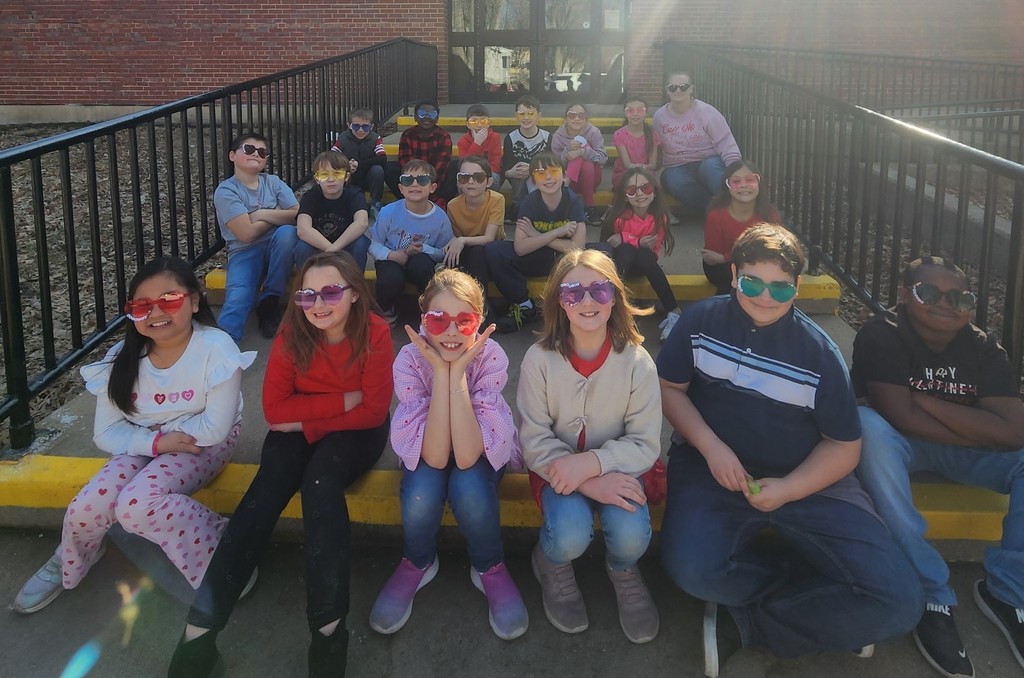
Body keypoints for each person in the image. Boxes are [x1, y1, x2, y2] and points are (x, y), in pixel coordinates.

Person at [657, 223, 922, 677]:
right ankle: (826, 606)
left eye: (780, 287)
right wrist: (712, 447)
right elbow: (670, 389)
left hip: (807, 480)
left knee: (898, 600)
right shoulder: (698, 323)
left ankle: (750, 625)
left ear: (797, 286)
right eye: (752, 283)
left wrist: (790, 489)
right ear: (734, 275)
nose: (765, 297)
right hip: (712, 470)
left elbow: (843, 446)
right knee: (692, 570)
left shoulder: (820, 354)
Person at [167, 252, 394, 678]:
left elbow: (373, 411)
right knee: (267, 488)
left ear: (354, 294)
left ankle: (328, 634)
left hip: (357, 432)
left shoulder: (376, 332)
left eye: (331, 292)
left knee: (320, 484)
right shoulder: (293, 332)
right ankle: (199, 632)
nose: (319, 304)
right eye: (307, 295)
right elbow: (274, 411)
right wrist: (343, 400)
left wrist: (305, 417)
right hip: (307, 425)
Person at [12, 256, 254, 614]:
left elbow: (214, 427)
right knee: (87, 506)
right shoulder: (122, 359)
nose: (156, 312)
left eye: (169, 299)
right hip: (143, 442)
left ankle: (224, 549)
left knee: (137, 504)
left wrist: (161, 435)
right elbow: (107, 433)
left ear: (193, 301)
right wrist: (154, 442)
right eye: (142, 306)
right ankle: (73, 555)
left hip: (201, 443)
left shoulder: (216, 350)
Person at [853, 256, 1024, 677]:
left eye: (959, 297)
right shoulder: (882, 333)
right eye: (928, 292)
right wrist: (982, 428)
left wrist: (922, 400)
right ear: (903, 295)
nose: (946, 304)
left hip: (956, 446)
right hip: (897, 444)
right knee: (868, 428)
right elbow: (899, 418)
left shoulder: (983, 347)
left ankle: (1009, 591)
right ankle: (931, 591)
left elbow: (1015, 431)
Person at [370, 269, 529, 641]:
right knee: (422, 489)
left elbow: (469, 456)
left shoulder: (491, 357)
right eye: (439, 320)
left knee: (469, 487)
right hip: (431, 446)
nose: (452, 331)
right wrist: (442, 373)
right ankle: (417, 561)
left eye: (465, 320)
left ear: (480, 321)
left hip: (479, 447)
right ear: (424, 320)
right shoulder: (410, 359)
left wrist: (458, 374)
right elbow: (437, 457)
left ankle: (489, 566)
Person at [517, 249, 661, 644]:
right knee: (569, 534)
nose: (586, 300)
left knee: (631, 536)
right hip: (556, 470)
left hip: (620, 468)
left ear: (614, 297)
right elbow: (534, 440)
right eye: (572, 291)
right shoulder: (538, 360)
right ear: (559, 301)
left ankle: (623, 568)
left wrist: (595, 464)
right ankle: (550, 562)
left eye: (599, 290)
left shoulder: (638, 363)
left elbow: (645, 442)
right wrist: (586, 478)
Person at [484, 151, 586, 334]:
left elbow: (578, 248)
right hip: (536, 256)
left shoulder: (573, 201)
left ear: (564, 175)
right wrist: (558, 232)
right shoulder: (529, 202)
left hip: (562, 260)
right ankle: (524, 305)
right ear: (533, 180)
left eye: (553, 171)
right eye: (540, 173)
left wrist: (536, 235)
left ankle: (574, 305)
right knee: (494, 250)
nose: (548, 177)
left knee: (600, 252)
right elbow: (520, 248)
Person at [213, 131, 300, 340]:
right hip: (244, 252)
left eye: (262, 152)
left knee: (288, 234)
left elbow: (297, 214)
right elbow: (246, 234)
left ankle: (269, 302)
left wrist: (260, 214)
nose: (256, 154)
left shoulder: (273, 182)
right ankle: (223, 347)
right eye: (249, 149)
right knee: (238, 298)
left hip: (277, 247)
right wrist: (278, 213)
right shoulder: (226, 191)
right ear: (232, 155)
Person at [600, 166, 682, 341]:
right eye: (632, 190)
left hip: (645, 264)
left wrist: (626, 237)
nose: (640, 194)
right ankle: (614, 310)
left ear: (654, 192)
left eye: (646, 187)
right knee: (626, 250)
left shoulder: (659, 218)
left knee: (643, 254)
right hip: (618, 267)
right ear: (625, 196)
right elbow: (608, 247)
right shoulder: (617, 217)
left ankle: (674, 311)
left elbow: (651, 248)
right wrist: (635, 241)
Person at [369, 159, 454, 325]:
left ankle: (428, 308)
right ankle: (386, 307)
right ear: (401, 188)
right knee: (390, 277)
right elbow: (373, 243)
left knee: (422, 266)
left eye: (422, 179)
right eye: (408, 180)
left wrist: (424, 248)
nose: (414, 184)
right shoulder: (388, 212)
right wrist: (391, 255)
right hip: (391, 259)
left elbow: (443, 252)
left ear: (432, 187)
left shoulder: (440, 217)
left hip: (420, 261)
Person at [653, 72, 741, 215]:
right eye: (673, 87)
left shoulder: (707, 112)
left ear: (691, 88)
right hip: (677, 166)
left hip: (707, 161)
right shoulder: (659, 117)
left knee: (711, 169)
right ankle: (719, 213)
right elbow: (657, 147)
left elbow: (725, 142)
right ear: (667, 90)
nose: (678, 90)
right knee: (675, 181)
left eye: (683, 86)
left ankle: (740, 207)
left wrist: (736, 170)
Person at [702, 160, 781, 294]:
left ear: (759, 184)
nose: (743, 185)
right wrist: (731, 260)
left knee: (758, 273)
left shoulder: (770, 215)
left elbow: (771, 254)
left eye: (750, 180)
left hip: (756, 268)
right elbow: (712, 260)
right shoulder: (716, 216)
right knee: (733, 273)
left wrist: (725, 258)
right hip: (724, 270)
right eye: (736, 181)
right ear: (727, 187)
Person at [295, 150, 370, 271]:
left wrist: (334, 249)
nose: (331, 179)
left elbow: (362, 223)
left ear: (346, 177)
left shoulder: (355, 194)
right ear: (317, 179)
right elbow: (303, 229)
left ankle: (354, 281)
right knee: (302, 247)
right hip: (317, 245)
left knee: (360, 243)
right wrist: (330, 250)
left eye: (337, 174)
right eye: (324, 175)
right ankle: (308, 281)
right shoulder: (310, 196)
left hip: (345, 244)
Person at [444, 156, 505, 303]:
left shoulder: (497, 199)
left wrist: (462, 240)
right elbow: (455, 238)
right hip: (467, 250)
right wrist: (458, 241)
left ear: (488, 182)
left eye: (478, 177)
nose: (471, 181)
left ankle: (482, 304)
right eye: (464, 177)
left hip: (491, 251)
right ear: (458, 182)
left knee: (477, 252)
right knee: (452, 256)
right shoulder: (452, 205)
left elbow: (489, 238)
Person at [387, 100, 454, 208]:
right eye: (422, 114)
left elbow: (441, 166)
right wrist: (417, 180)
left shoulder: (444, 136)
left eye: (431, 114)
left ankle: (440, 201)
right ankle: (408, 199)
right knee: (390, 168)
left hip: (436, 181)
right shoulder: (407, 135)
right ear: (415, 117)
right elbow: (406, 162)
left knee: (454, 167)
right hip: (412, 179)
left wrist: (426, 183)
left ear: (437, 118)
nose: (426, 117)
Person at [550, 103, 607, 225]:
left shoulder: (593, 132)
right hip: (569, 179)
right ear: (566, 118)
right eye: (572, 115)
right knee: (583, 159)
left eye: (581, 116)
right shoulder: (558, 135)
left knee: (585, 155)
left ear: (586, 119)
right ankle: (590, 208)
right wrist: (567, 150)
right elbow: (556, 163)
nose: (576, 119)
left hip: (592, 179)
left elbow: (603, 158)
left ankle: (567, 189)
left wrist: (583, 152)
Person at [501, 95, 551, 218]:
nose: (526, 118)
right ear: (516, 116)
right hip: (518, 178)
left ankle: (539, 206)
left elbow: (550, 163)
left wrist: (532, 169)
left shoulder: (547, 137)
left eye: (531, 114)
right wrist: (510, 172)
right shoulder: (510, 138)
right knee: (520, 171)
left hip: (540, 173)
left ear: (539, 116)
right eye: (522, 114)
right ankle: (517, 206)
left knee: (535, 174)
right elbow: (506, 165)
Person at [331, 108, 387, 218]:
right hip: (350, 177)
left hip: (367, 177)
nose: (360, 130)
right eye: (356, 126)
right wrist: (346, 166)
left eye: (365, 127)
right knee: (337, 171)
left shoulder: (375, 138)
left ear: (371, 126)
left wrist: (358, 164)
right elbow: (332, 157)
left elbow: (382, 159)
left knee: (377, 170)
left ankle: (375, 202)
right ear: (349, 125)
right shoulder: (342, 138)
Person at [611, 98, 661, 191]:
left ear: (646, 113)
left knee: (645, 185)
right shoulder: (619, 134)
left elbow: (653, 165)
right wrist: (637, 168)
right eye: (630, 110)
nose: (635, 114)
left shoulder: (653, 135)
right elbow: (627, 164)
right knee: (634, 184)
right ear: (625, 113)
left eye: (640, 110)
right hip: (624, 174)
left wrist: (644, 167)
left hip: (646, 174)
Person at [456, 104, 502, 183]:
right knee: (461, 179)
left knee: (493, 178)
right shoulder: (463, 141)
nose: (479, 125)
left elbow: (496, 165)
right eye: (474, 121)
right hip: (469, 174)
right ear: (468, 124)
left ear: (489, 123)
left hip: (490, 174)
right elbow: (465, 165)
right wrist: (477, 143)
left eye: (483, 121)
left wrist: (481, 176)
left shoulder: (495, 137)